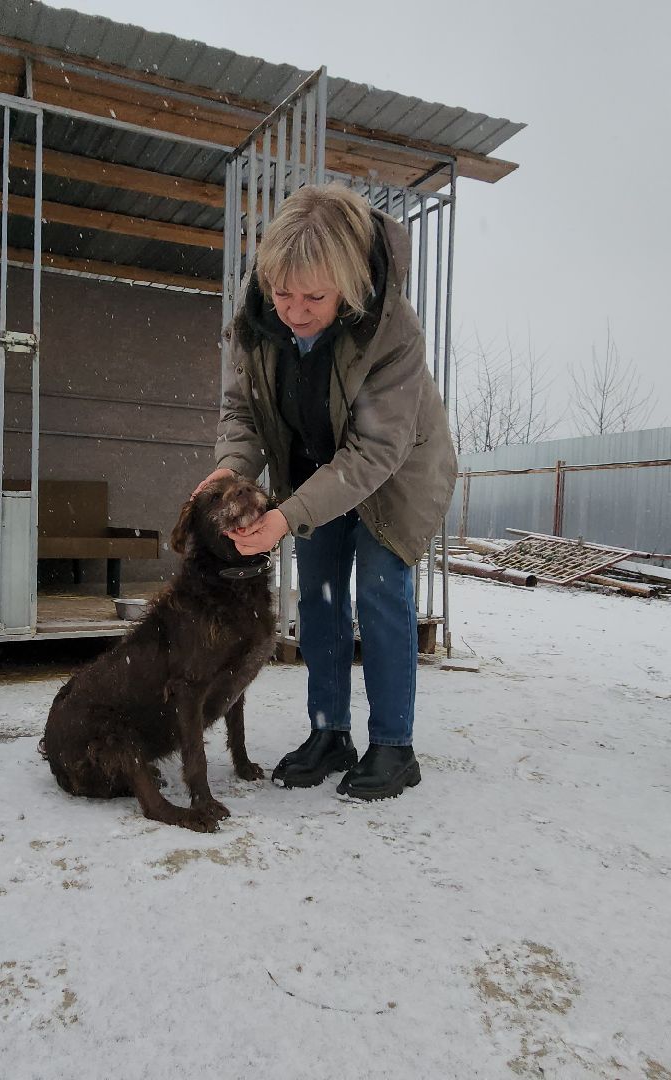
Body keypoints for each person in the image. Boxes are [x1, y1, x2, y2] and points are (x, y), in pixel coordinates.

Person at [196, 183, 458, 801]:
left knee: (378, 592)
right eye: (283, 292)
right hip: (310, 468)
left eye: (314, 296)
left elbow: (375, 449)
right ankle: (328, 733)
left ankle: (394, 746)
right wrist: (233, 471)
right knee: (316, 597)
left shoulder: (392, 331)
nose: (295, 310)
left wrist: (287, 516)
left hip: (391, 475)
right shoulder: (258, 316)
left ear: (347, 282)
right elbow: (242, 410)